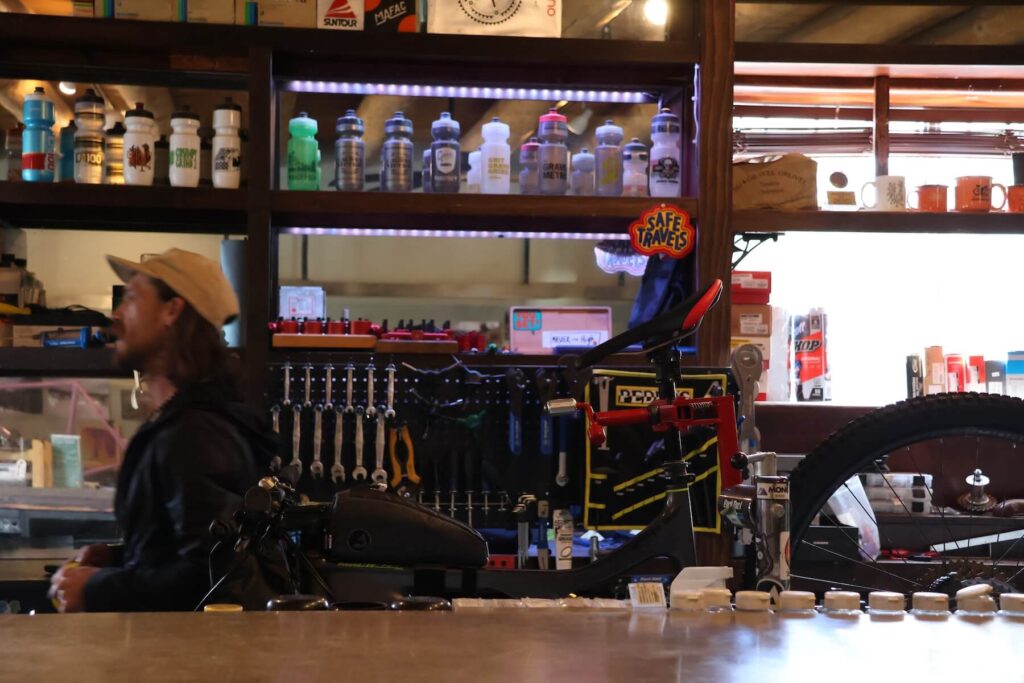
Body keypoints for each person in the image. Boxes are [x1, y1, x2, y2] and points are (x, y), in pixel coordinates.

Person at [49, 248, 275, 612]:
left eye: (132, 298)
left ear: (172, 310)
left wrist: (97, 589)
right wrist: (120, 557)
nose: (117, 314)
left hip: (187, 649)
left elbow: (211, 576)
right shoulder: (184, 420)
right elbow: (191, 549)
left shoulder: (194, 433)